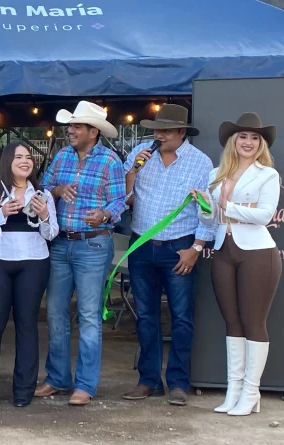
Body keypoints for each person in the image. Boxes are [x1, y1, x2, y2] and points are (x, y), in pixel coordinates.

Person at [120, 104, 214, 406]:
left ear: (182, 132)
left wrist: (196, 248)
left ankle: (178, 383)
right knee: (145, 316)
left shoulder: (200, 162)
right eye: (157, 130)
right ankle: (148, 380)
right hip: (141, 245)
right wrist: (133, 170)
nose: (159, 135)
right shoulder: (140, 155)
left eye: (166, 130)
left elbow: (207, 210)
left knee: (181, 317)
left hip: (179, 246)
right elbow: (125, 199)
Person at [37, 101, 125, 406]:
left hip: (93, 244)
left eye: (77, 126)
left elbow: (120, 201)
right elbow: (42, 189)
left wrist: (104, 214)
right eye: (71, 126)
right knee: (55, 312)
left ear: (93, 131)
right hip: (60, 242)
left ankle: (85, 385)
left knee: (88, 316)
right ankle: (57, 378)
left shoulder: (110, 161)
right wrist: (57, 190)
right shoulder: (62, 156)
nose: (71, 131)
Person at [194, 112, 281, 416]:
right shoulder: (215, 174)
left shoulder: (267, 175)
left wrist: (227, 206)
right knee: (231, 322)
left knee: (253, 321)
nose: (248, 142)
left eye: (255, 138)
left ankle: (251, 391)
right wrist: (205, 206)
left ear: (261, 144)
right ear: (233, 140)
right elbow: (210, 219)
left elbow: (265, 215)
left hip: (258, 252)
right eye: (243, 136)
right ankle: (234, 390)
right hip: (223, 249)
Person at [0, 141, 58, 407]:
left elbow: (52, 234)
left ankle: (23, 391)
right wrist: (1, 213)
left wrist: (44, 215)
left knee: (27, 325)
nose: (25, 161)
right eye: (18, 157)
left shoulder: (43, 194)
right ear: (7, 161)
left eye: (29, 157)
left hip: (34, 262)